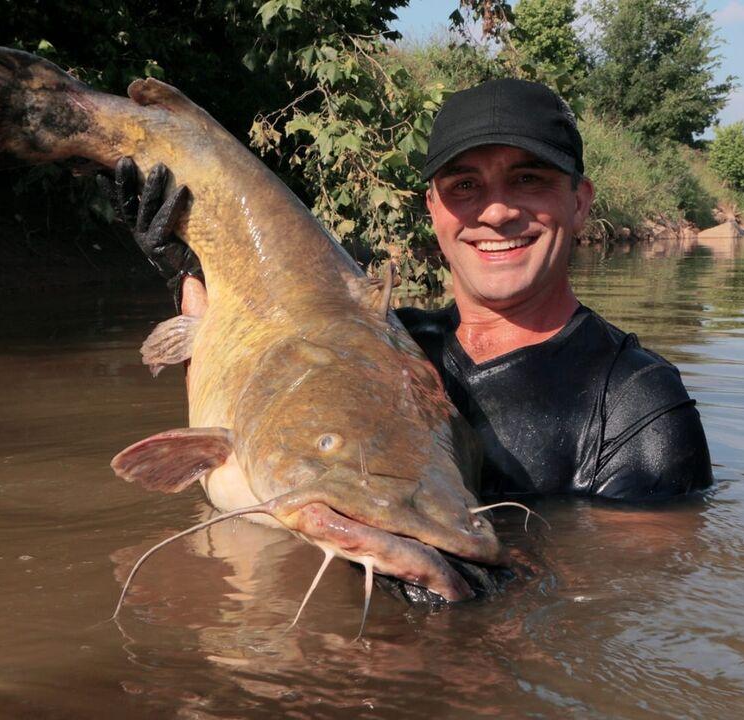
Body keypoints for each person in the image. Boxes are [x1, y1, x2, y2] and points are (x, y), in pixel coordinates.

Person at [107, 78, 713, 505]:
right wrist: (187, 276)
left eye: (528, 179)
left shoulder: (638, 403)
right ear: (433, 210)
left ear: (579, 204)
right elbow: (235, 413)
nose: (496, 211)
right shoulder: (392, 342)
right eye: (464, 185)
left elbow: (626, 597)